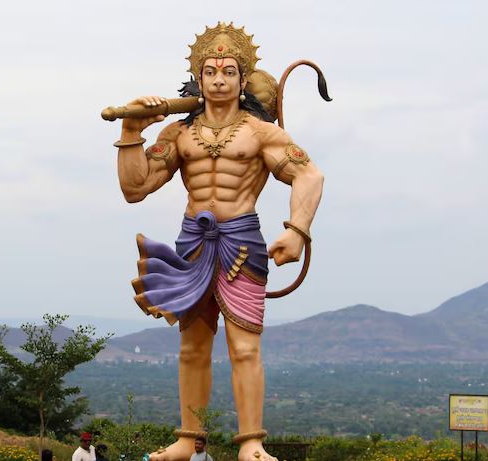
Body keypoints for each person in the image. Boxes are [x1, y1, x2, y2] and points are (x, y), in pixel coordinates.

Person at [115, 22, 324, 461]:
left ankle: (251, 442)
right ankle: (187, 439)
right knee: (192, 348)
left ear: (243, 80)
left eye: (228, 71)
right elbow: (135, 188)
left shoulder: (261, 132)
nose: (219, 80)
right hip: (193, 243)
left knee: (244, 348)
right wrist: (132, 132)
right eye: (210, 71)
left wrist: (297, 230)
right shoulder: (179, 133)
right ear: (199, 77)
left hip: (241, 244)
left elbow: (309, 174)